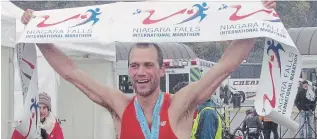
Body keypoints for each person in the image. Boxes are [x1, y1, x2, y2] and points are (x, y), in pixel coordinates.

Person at [21, 1, 276, 138]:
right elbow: (70, 71)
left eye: (147, 65)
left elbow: (225, 65)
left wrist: (256, 19)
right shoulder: (120, 105)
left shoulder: (179, 104)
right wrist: (38, 33)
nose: (140, 72)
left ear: (161, 70)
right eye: (134, 65)